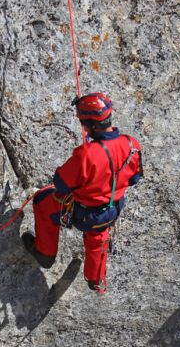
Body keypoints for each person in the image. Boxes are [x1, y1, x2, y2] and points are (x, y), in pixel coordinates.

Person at [22, 92, 143, 292]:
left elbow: (61, 183)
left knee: (43, 200)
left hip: (84, 213)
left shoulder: (87, 154)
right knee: (97, 235)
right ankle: (96, 279)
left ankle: (45, 252)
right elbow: (134, 178)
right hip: (112, 208)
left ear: (89, 124)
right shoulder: (132, 144)